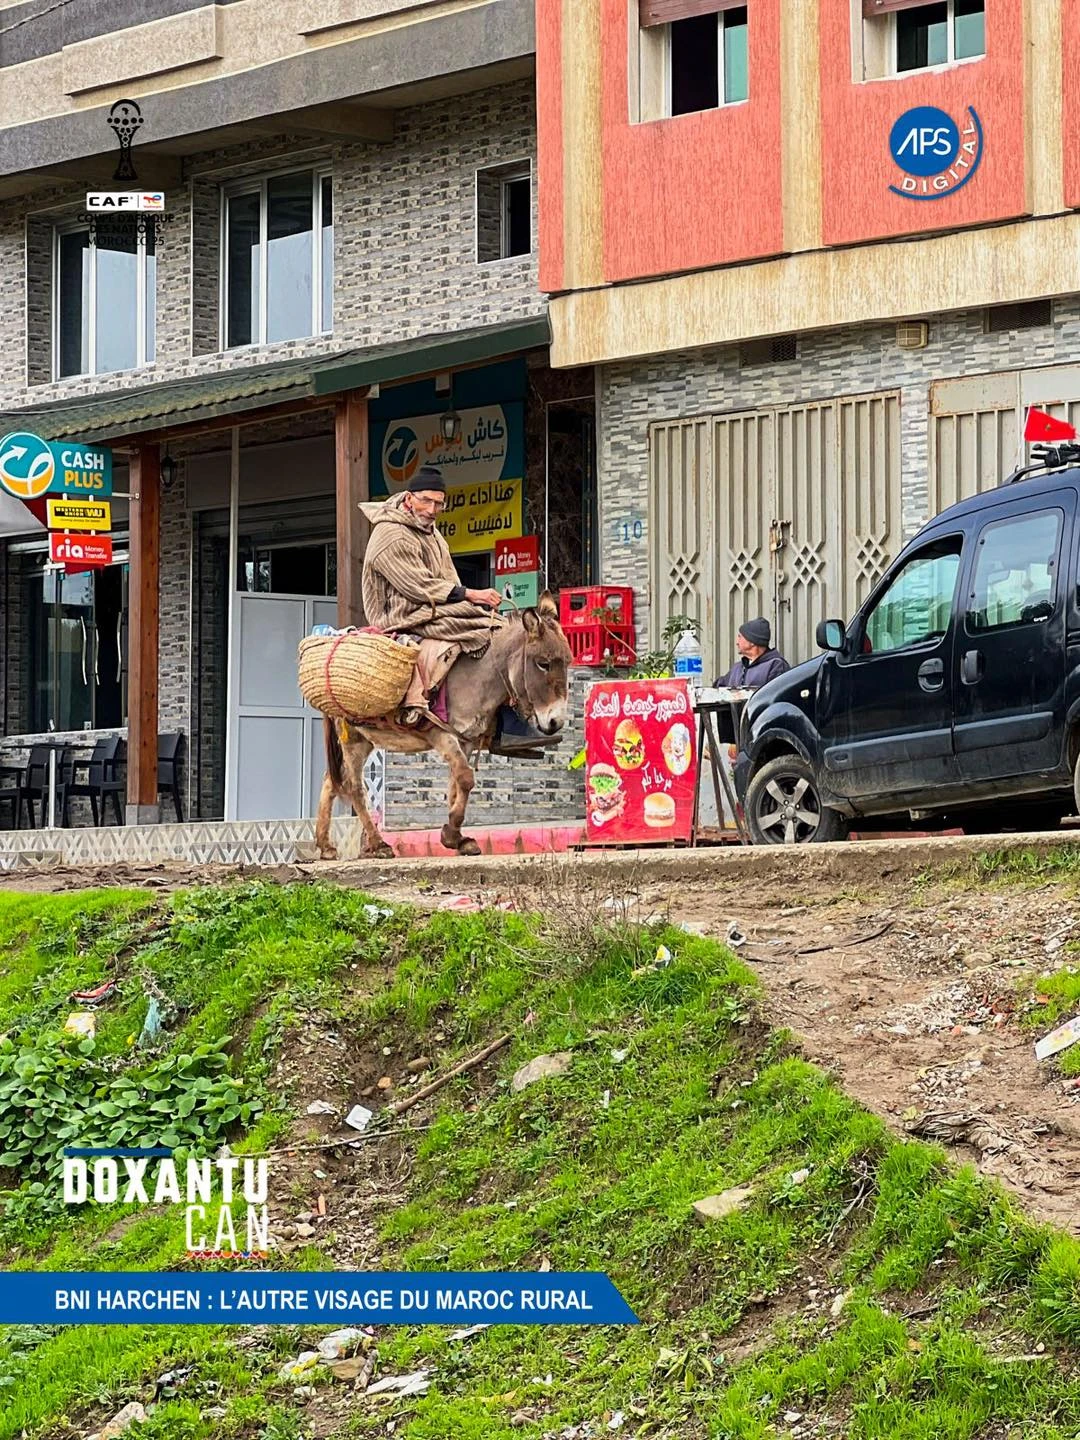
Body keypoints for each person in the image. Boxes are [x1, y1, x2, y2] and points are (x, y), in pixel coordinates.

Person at [361, 465, 554, 754]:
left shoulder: (434, 535)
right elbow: (416, 586)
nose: (433, 508)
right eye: (426, 500)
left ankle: (508, 721)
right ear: (409, 498)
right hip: (402, 614)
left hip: (434, 607)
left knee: (501, 629)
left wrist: (473, 602)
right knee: (481, 633)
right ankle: (426, 704)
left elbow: (449, 579)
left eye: (439, 502)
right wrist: (471, 594)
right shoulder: (390, 535)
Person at [714, 617, 790, 690]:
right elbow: (718, 688)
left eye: (740, 637)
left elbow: (776, 696)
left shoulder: (776, 665)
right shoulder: (737, 668)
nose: (737, 642)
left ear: (752, 642)